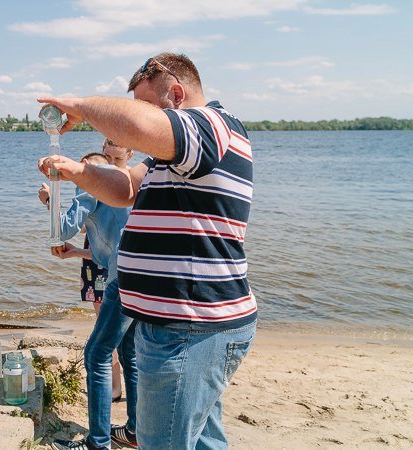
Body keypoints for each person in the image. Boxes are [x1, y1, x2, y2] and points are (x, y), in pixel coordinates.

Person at [38, 52, 257, 450]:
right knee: (203, 442)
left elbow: (138, 125)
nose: (139, 118)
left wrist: (81, 107)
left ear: (176, 93)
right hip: (188, 326)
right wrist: (73, 170)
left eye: (147, 105)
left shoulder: (209, 125)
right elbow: (124, 189)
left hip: (189, 328)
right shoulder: (171, 157)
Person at [39, 151, 137, 450]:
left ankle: (98, 443)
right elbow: (106, 245)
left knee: (97, 354)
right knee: (130, 353)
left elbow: (63, 230)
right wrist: (76, 253)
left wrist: (48, 200)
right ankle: (135, 431)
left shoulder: (91, 181)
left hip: (123, 277)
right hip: (142, 271)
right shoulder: (121, 179)